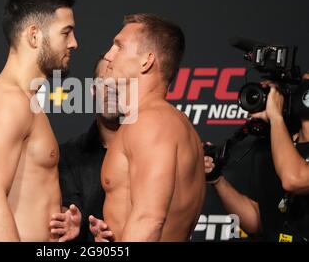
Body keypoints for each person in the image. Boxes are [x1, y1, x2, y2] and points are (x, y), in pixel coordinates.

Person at [0, 0, 79, 241]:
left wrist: (60, 219)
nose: (74, 43)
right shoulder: (6, 100)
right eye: (66, 32)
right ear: (34, 35)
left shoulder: (26, 99)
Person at [92, 13, 206, 241]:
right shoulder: (173, 123)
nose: (108, 55)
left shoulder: (150, 122)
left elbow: (149, 220)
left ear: (147, 61)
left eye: (119, 47)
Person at [205, 72, 309, 241]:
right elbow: (258, 221)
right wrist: (217, 180)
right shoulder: (271, 147)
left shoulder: (279, 142)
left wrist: (276, 118)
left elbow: (293, 179)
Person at [56, 56, 120, 241]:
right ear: (93, 91)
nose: (111, 91)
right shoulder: (67, 154)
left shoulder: (150, 154)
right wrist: (70, 218)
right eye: (103, 84)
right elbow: (70, 205)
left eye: (119, 84)